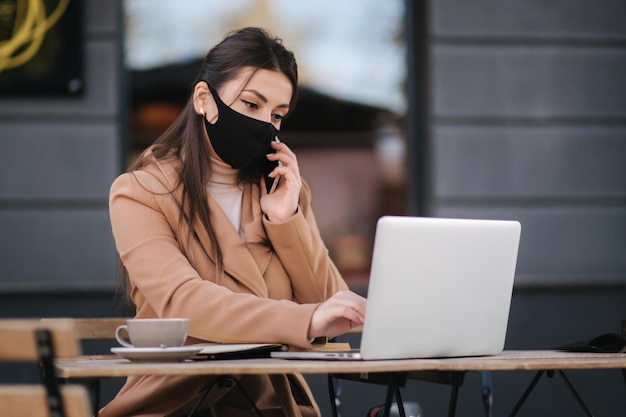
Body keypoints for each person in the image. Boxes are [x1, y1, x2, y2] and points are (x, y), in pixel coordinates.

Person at [101, 27, 367, 417]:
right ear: (205, 100)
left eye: (277, 115)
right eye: (250, 105)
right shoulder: (139, 192)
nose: (266, 124)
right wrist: (304, 319)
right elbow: (184, 302)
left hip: (271, 403)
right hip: (179, 401)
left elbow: (331, 308)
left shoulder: (283, 192)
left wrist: (286, 220)